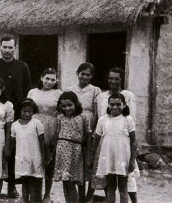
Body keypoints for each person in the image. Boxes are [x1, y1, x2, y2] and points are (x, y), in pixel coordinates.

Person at [0, 35, 31, 198]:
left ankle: (11, 186)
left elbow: (26, 90)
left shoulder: (22, 66)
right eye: (5, 47)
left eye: (11, 47)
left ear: (15, 48)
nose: (7, 50)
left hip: (15, 114)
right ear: (0, 47)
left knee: (11, 150)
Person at [90, 67, 138, 203]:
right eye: (111, 78)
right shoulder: (102, 105)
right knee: (109, 184)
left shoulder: (127, 113)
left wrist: (132, 159)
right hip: (108, 150)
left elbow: (133, 137)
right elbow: (97, 128)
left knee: (125, 185)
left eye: (116, 78)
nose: (113, 81)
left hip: (123, 151)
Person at [27, 68, 62, 203]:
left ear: (56, 81)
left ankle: (47, 194)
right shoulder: (33, 92)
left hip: (51, 126)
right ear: (41, 78)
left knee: (49, 161)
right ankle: (34, 194)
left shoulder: (59, 93)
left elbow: (62, 110)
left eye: (53, 79)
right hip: (34, 125)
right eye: (47, 78)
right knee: (35, 159)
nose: (49, 82)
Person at [67, 62, 101, 199]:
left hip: (89, 128)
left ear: (91, 76)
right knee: (76, 161)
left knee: (88, 162)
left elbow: (96, 112)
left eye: (88, 75)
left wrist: (93, 130)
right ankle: (77, 195)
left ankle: (87, 196)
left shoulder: (95, 90)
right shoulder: (70, 89)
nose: (85, 77)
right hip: (74, 128)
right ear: (77, 74)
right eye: (82, 74)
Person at [53, 91, 91, 203]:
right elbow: (57, 134)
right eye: (64, 106)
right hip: (62, 150)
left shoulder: (83, 117)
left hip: (76, 151)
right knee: (66, 181)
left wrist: (88, 154)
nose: (67, 108)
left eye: (70, 105)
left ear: (76, 103)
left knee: (75, 179)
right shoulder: (60, 118)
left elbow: (88, 136)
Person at [11, 98, 46, 203]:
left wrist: (44, 157)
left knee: (35, 181)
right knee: (25, 181)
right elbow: (13, 142)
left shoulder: (36, 123)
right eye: (24, 111)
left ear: (33, 112)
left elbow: (42, 141)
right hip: (22, 157)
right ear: (19, 111)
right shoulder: (15, 125)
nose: (27, 114)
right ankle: (25, 200)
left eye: (29, 111)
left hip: (35, 157)